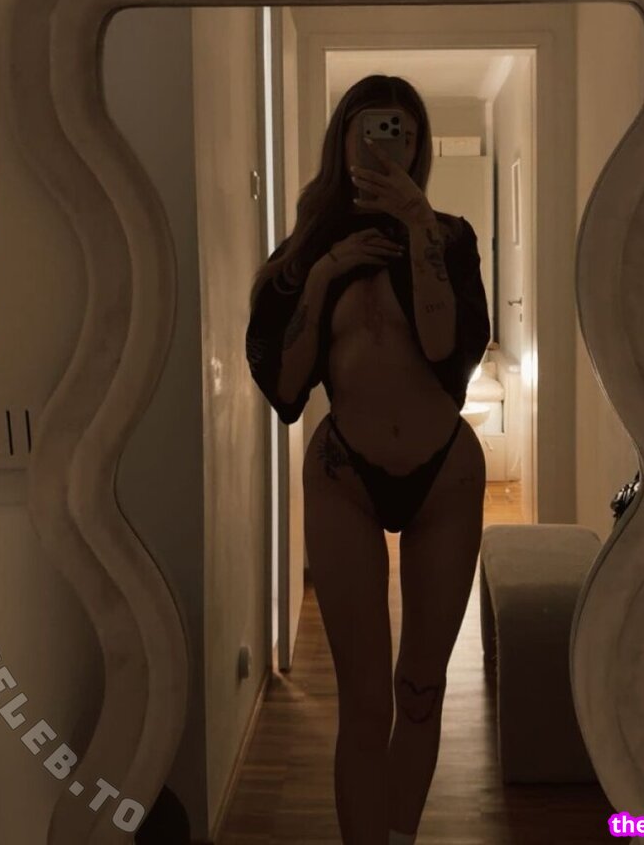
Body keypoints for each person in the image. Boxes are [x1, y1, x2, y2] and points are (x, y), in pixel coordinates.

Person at [246, 74, 490, 845]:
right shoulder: (304, 251)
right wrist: (323, 278)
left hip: (444, 474)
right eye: (376, 129)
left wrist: (419, 228)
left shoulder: (449, 237)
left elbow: (448, 349)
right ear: (344, 140)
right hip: (344, 475)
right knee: (364, 705)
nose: (393, 145)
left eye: (406, 133)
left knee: (420, 691)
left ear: (420, 148)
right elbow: (286, 387)